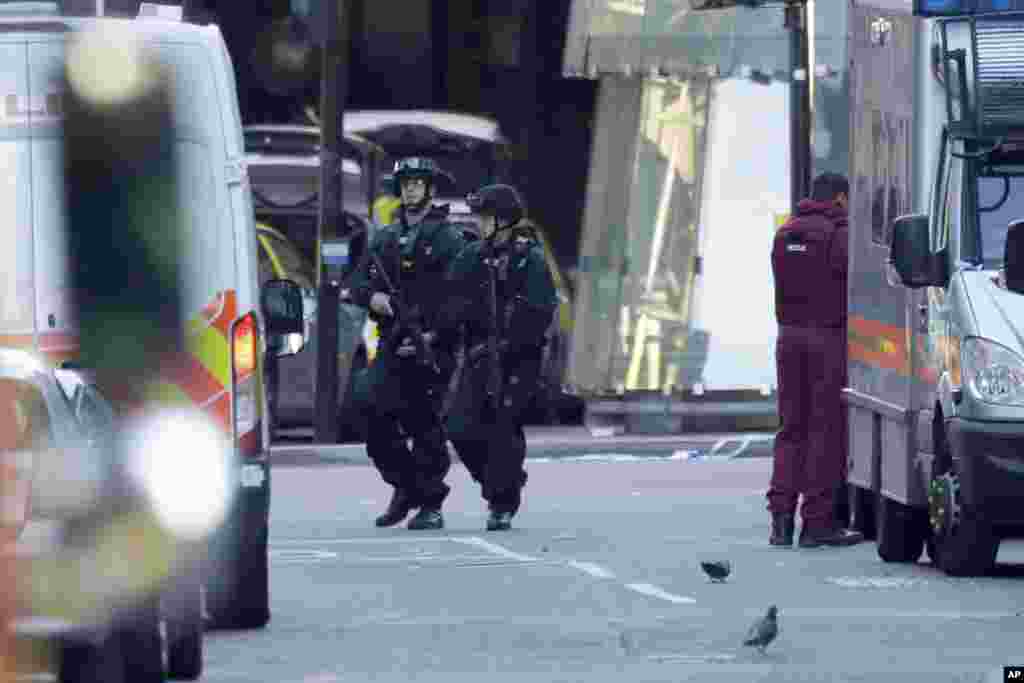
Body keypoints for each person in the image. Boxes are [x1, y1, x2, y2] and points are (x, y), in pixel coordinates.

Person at [348, 157, 467, 531]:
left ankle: (430, 503)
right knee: (367, 407)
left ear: (431, 189)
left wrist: (434, 333)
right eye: (406, 183)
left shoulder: (449, 238)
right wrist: (373, 299)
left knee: (423, 421)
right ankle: (406, 486)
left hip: (433, 342)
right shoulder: (384, 237)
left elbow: (460, 295)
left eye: (418, 183)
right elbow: (358, 283)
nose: (411, 189)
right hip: (391, 339)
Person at [434, 185, 558, 531]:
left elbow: (540, 309)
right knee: (459, 427)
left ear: (503, 220)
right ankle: (500, 483)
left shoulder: (527, 258)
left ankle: (502, 502)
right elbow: (450, 303)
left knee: (504, 426)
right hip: (479, 355)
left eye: (486, 217)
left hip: (518, 358)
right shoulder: (471, 256)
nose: (480, 223)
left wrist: (511, 343)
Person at [768, 172, 863, 548]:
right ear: (840, 198)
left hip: (788, 338)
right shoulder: (840, 236)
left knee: (790, 428)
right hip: (828, 341)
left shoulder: (785, 234)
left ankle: (780, 521)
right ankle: (816, 524)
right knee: (825, 429)